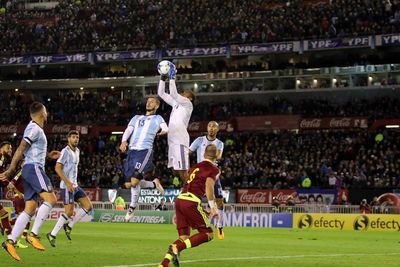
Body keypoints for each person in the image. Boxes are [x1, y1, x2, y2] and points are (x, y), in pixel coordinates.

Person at [0, 102, 60, 261]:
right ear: (42, 114)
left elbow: (30, 151)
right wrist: (11, 170)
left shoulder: (34, 129)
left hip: (31, 168)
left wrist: (48, 156)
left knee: (30, 208)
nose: (47, 114)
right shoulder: (34, 128)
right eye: (46, 112)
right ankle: (32, 235)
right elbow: (21, 148)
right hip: (34, 169)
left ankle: (10, 241)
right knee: (51, 199)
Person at [158, 144, 219, 267]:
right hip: (191, 201)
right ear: (217, 155)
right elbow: (209, 187)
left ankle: (163, 264)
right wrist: (213, 207)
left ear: (203, 154)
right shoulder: (213, 169)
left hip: (180, 200)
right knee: (208, 234)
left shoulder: (194, 167)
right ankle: (176, 247)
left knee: (184, 237)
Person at [119, 97, 168, 221]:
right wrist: (124, 141)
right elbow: (128, 130)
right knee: (128, 184)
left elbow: (165, 128)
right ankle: (153, 184)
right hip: (132, 151)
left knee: (135, 181)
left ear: (156, 106)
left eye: (152, 101)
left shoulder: (158, 118)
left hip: (144, 151)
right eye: (148, 101)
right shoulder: (136, 118)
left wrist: (163, 131)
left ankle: (132, 208)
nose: (148, 102)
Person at [46, 130, 93, 247]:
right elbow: (57, 168)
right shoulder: (65, 151)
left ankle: (69, 226)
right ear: (68, 139)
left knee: (88, 206)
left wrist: (72, 183)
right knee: (69, 212)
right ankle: (52, 234)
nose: (76, 139)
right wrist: (67, 183)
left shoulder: (77, 151)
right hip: (67, 186)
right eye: (73, 137)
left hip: (75, 185)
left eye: (77, 137)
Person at [158, 62, 195, 184]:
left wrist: (173, 76)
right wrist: (163, 78)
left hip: (180, 140)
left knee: (183, 170)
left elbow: (173, 93)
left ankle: (192, 192)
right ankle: (187, 188)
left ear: (190, 98)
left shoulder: (188, 105)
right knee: (175, 170)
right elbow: (161, 94)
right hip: (172, 140)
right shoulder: (176, 104)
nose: (182, 93)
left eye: (185, 93)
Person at [189, 121, 225, 240]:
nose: (211, 128)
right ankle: (196, 223)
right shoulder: (199, 140)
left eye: (214, 126)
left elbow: (218, 156)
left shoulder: (219, 143)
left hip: (212, 174)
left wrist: (210, 154)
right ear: (207, 128)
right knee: (193, 199)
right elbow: (189, 151)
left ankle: (219, 226)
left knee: (219, 201)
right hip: (200, 175)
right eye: (209, 126)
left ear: (217, 130)